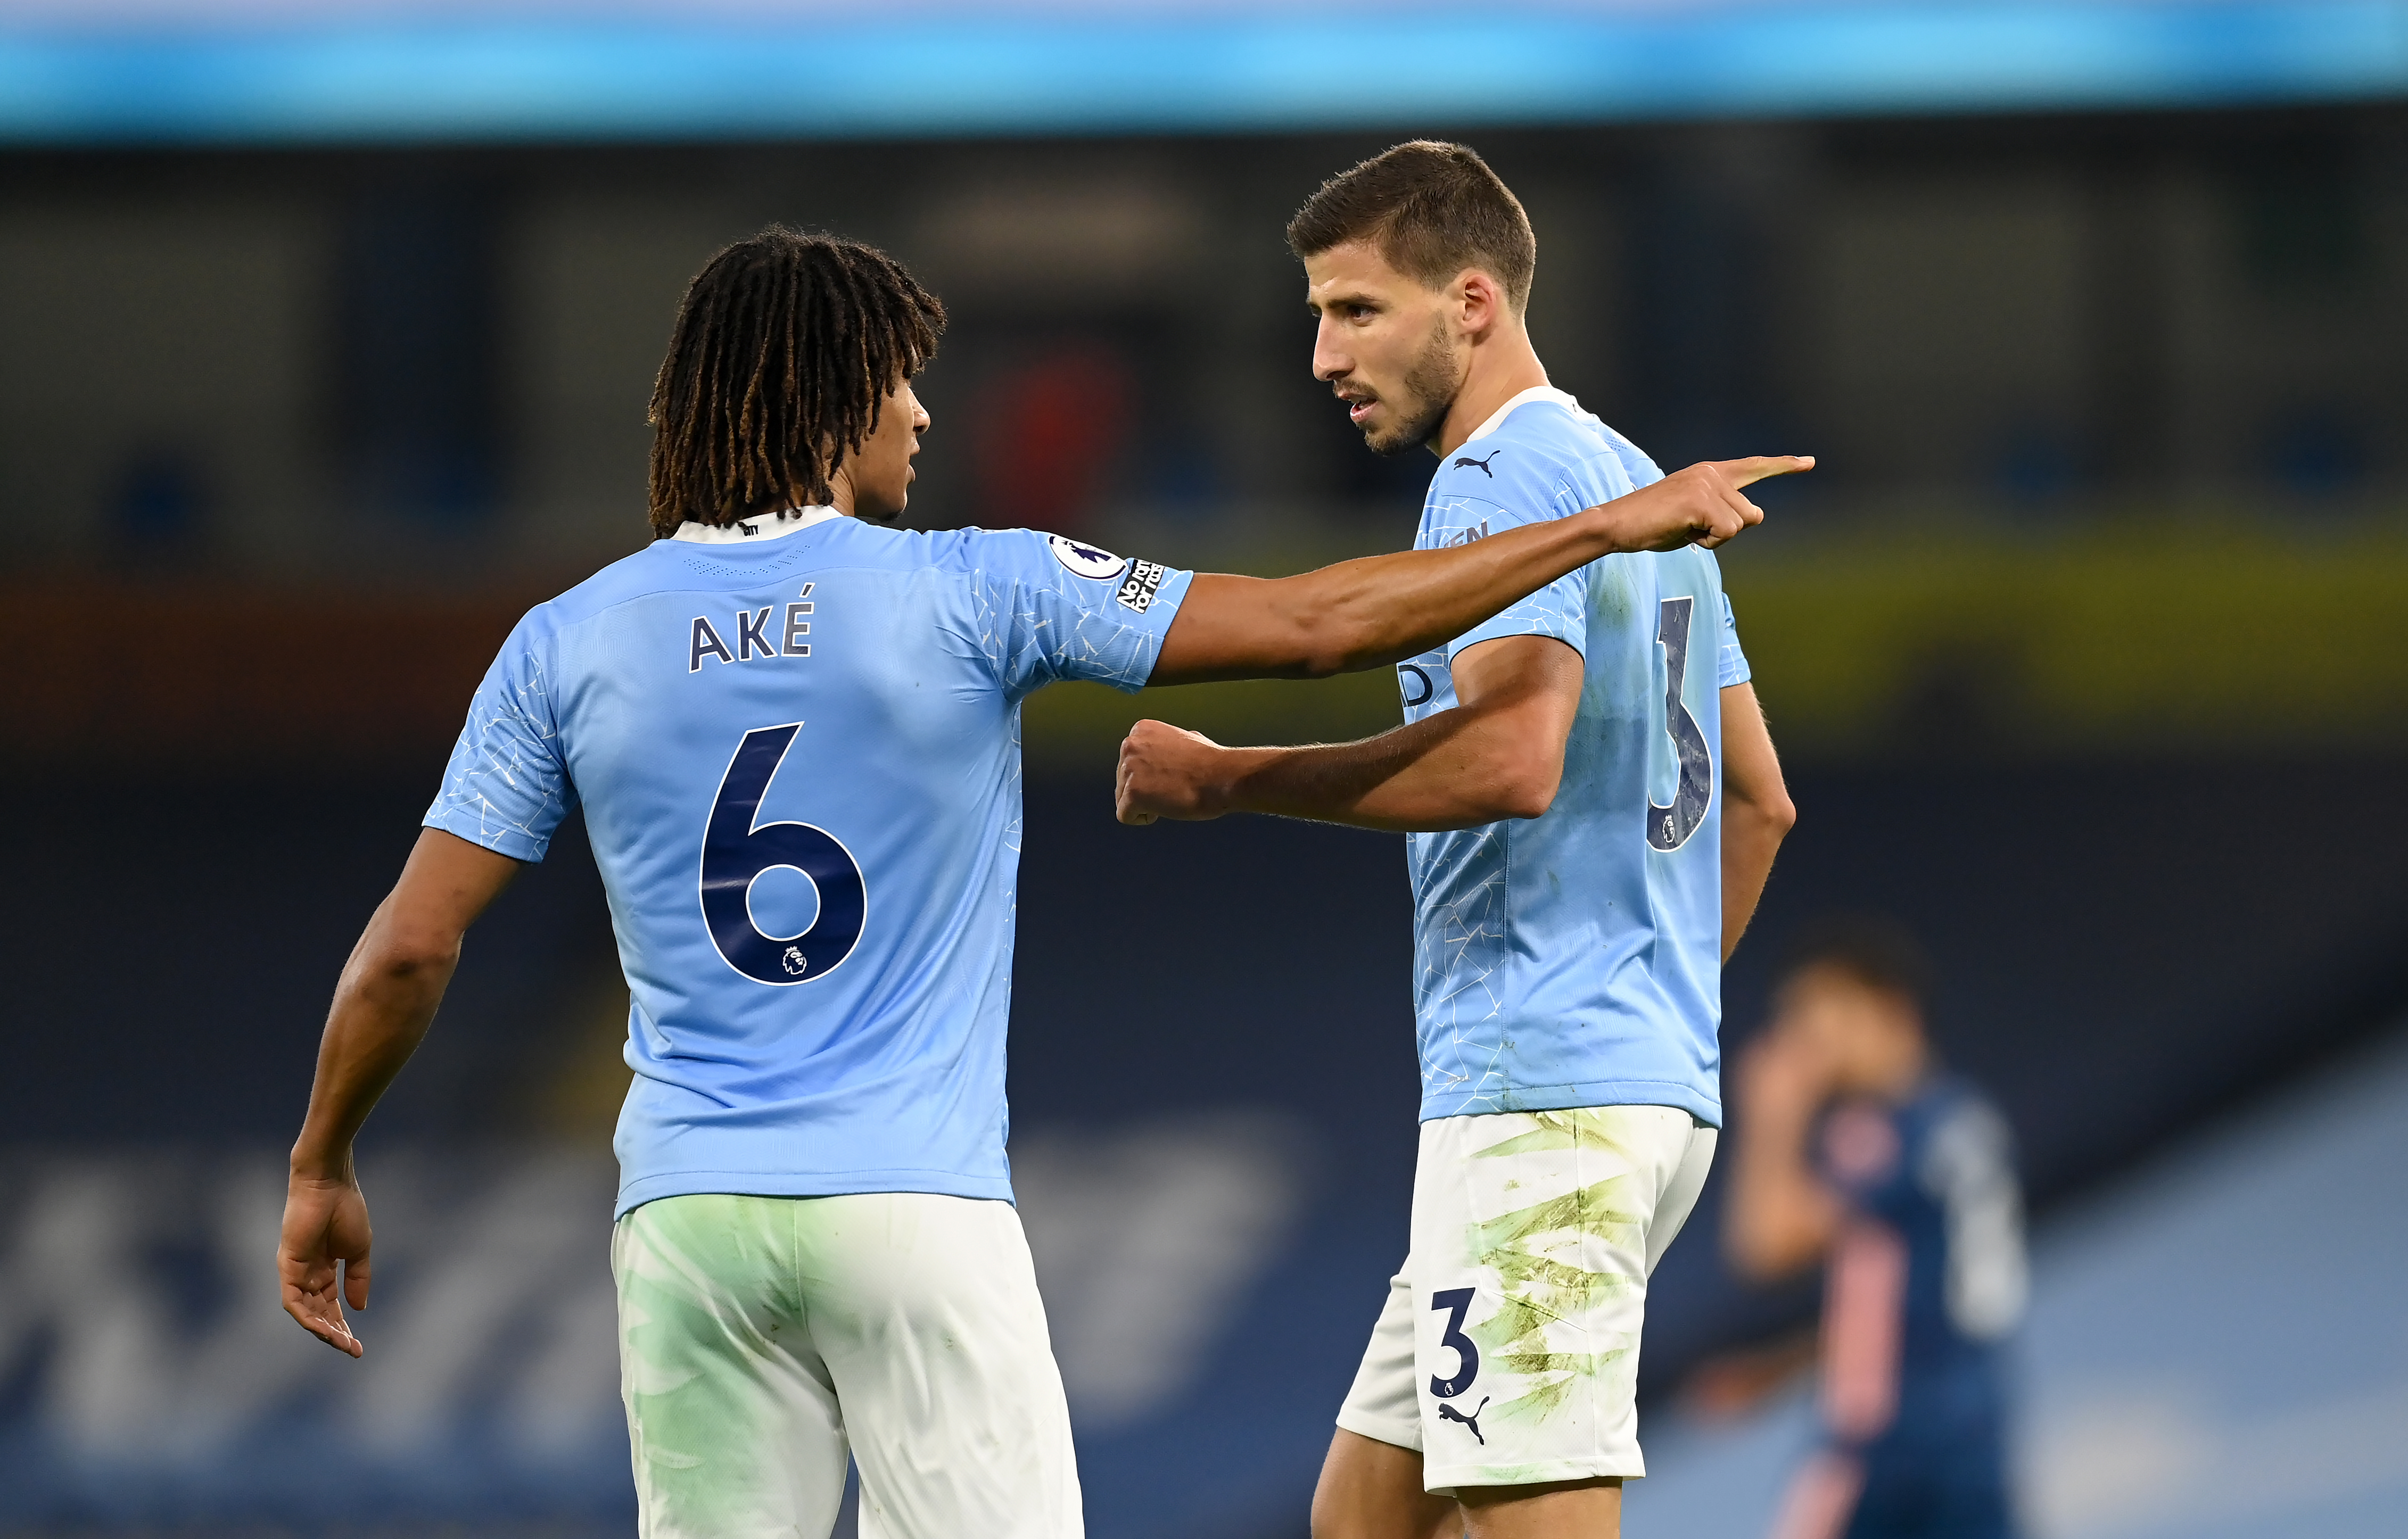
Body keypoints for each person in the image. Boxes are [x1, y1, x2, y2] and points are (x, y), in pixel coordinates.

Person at [275, 226, 1801, 1539]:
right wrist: (1606, 523)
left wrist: (325, 1160)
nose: (923, 410)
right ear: (835, 397)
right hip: (911, 1207)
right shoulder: (973, 585)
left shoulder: (566, 637)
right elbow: (1315, 626)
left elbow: (409, 951)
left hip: (685, 1221)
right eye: (900, 377)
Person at [1114, 142, 1803, 1539]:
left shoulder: (1496, 483)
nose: (1320, 355)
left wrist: (1231, 778)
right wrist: (1653, 1012)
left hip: (1539, 1098)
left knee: (1518, 1515)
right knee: (1367, 1516)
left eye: (1355, 310)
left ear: (1472, 302)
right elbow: (1757, 799)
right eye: (1315, 314)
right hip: (1624, 1081)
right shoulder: (1629, 480)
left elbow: (1507, 757)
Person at [1723, 922, 2027, 1539]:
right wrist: (1786, 1364)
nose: (1806, 1040)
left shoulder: (1880, 1137)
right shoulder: (1963, 1120)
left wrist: (1772, 1115)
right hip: (1975, 1432)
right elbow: (1915, 1300)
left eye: (1820, 1012)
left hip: (1885, 1445)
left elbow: (1765, 1246)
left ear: (1890, 1010)